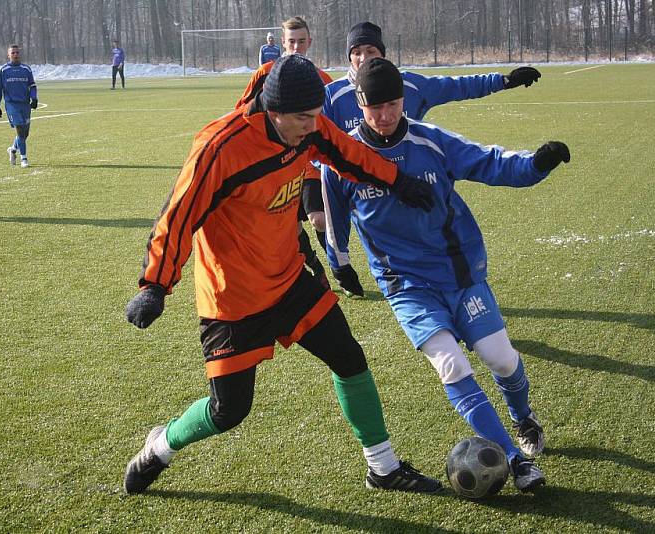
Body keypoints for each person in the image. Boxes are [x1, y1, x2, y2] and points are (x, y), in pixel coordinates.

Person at [122, 55, 440, 496]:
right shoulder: (220, 148)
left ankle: (382, 467)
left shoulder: (307, 124)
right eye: (304, 119)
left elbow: (347, 153)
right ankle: (161, 445)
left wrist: (396, 179)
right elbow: (177, 217)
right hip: (232, 298)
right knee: (229, 410)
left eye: (317, 116)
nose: (314, 126)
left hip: (289, 277)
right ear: (274, 114)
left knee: (349, 357)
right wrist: (155, 286)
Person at [323, 58, 571, 492]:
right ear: (359, 103)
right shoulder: (339, 160)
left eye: (393, 104)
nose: (384, 116)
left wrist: (537, 164)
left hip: (458, 272)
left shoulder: (430, 141)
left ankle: (522, 418)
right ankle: (513, 462)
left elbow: (488, 162)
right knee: (451, 364)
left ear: (404, 100)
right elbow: (334, 220)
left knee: (502, 359)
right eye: (374, 106)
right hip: (405, 285)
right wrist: (339, 263)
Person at [321, 21, 543, 298]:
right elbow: (320, 146)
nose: (364, 57)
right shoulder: (332, 95)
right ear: (349, 56)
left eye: (371, 50)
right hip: (367, 194)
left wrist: (503, 81)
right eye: (357, 52)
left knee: (435, 241)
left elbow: (457, 86)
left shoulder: (409, 84)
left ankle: (454, 310)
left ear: (383, 53)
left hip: (417, 182)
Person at [236, 16, 333, 286]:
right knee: (289, 226)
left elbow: (335, 124)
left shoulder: (324, 79)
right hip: (274, 168)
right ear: (283, 43)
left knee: (319, 220)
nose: (296, 47)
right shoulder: (264, 74)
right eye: (291, 42)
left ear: (309, 42)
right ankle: (315, 268)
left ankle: (338, 265)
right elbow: (240, 114)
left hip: (310, 165)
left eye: (302, 41)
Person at [0, 44, 38, 168]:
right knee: (19, 131)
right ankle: (24, 158)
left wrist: (34, 98)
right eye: (13, 53)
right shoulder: (3, 70)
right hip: (12, 105)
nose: (15, 55)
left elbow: (32, 85)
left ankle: (12, 149)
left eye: (17, 52)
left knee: (25, 134)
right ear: (8, 55)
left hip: (25, 105)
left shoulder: (26, 69)